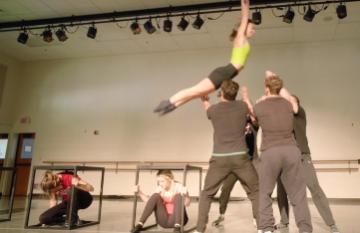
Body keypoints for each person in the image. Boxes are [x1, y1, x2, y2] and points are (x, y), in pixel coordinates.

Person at [154, 0, 255, 115]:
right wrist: (245, 4)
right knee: (194, 90)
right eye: (252, 27)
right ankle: (168, 101)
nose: (254, 31)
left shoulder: (243, 40)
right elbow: (245, 17)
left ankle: (172, 106)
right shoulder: (240, 38)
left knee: (195, 94)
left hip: (227, 75)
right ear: (243, 28)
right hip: (224, 73)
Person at [193, 80, 259, 233]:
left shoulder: (214, 110)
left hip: (219, 158)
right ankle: (262, 228)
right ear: (235, 93)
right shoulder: (242, 106)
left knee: (207, 194)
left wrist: (204, 98)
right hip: (240, 157)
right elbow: (254, 115)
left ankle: (199, 229)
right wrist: (246, 97)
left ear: (221, 93)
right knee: (256, 191)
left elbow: (207, 108)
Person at [253, 71, 312, 233]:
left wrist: (262, 98)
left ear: (266, 88)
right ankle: (305, 229)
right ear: (280, 87)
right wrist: (279, 83)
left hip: (270, 152)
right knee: (298, 195)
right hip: (291, 151)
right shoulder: (289, 104)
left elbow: (253, 119)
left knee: (264, 192)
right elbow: (292, 102)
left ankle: (266, 228)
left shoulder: (259, 106)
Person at [276, 96, 340, 233]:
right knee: (281, 191)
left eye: (291, 103)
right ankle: (284, 222)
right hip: (284, 160)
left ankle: (331, 224)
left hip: (303, 158)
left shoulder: (300, 115)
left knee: (315, 189)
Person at [212, 118, 259, 227]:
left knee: (253, 192)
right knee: (225, 189)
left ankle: (256, 218)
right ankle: (221, 215)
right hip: (234, 166)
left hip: (248, 165)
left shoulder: (254, 125)